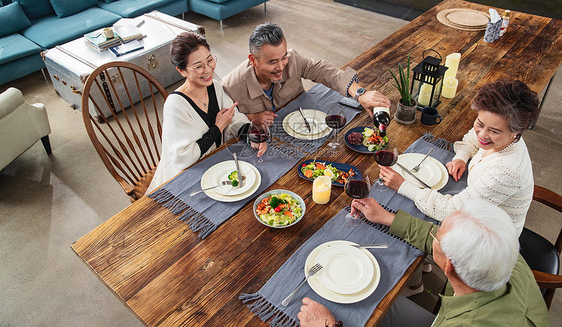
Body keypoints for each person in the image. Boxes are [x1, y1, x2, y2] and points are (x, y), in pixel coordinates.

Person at [297, 198, 551, 327]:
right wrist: (388, 218)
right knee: (371, 305)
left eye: (437, 237)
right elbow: (448, 245)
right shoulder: (503, 252)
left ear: (448, 266)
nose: (433, 235)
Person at [379, 79, 539, 236]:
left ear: (516, 132)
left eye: (494, 131)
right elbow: (474, 138)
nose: (482, 135)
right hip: (476, 204)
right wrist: (462, 157)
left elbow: (450, 211)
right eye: (480, 123)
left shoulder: (507, 172)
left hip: (488, 237)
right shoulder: (505, 136)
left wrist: (403, 186)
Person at [146, 32, 266, 194]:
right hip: (186, 177)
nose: (208, 70)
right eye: (198, 66)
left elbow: (234, 117)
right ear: (181, 71)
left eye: (209, 60)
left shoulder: (214, 86)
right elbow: (184, 158)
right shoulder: (175, 105)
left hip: (216, 164)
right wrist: (218, 127)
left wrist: (251, 135)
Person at [222, 23, 391, 126]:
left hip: (307, 127)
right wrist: (250, 118)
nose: (281, 67)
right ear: (253, 60)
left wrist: (360, 94)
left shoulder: (293, 59)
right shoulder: (230, 87)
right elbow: (225, 125)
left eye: (283, 58)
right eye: (272, 62)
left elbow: (324, 70)